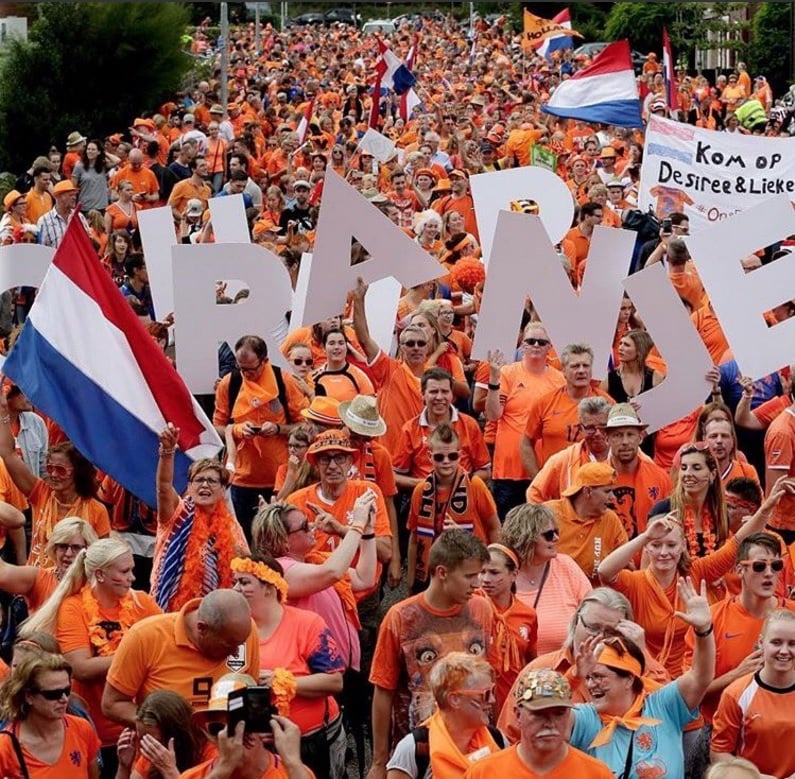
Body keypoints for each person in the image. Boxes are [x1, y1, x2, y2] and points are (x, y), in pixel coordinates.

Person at [20, 539, 161, 766]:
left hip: (137, 728)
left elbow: (164, 644)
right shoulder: (73, 607)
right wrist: (135, 654)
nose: (133, 578)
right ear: (100, 574)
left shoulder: (141, 602)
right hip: (96, 733)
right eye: (125, 571)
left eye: (132, 570)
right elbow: (80, 668)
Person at [368, 530, 495, 779]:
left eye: (479, 574)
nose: (478, 583)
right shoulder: (400, 616)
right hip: (418, 751)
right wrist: (379, 762)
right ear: (442, 572)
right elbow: (383, 690)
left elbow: (492, 679)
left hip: (474, 747)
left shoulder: (481, 609)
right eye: (470, 575)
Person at [598, 505, 776, 677]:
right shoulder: (635, 582)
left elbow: (735, 545)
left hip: (689, 680)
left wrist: (766, 508)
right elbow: (604, 571)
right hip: (647, 676)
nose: (663, 552)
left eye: (671, 545)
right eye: (656, 545)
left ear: (683, 545)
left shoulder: (695, 572)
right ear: (646, 548)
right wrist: (646, 536)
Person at [568, 582, 714, 779]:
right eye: (589, 677)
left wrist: (704, 630)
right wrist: (575, 677)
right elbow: (548, 715)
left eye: (600, 677)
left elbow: (700, 676)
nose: (591, 684)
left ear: (629, 679)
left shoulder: (663, 705)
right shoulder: (586, 718)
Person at [497, 587, 671, 743]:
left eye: (611, 632)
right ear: (575, 622)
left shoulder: (632, 674)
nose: (600, 638)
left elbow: (668, 709)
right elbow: (510, 736)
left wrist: (640, 655)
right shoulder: (541, 669)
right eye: (593, 628)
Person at [231, 553, 347, 778]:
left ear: (269, 588)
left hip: (311, 742)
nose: (236, 588)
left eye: (244, 582)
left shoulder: (308, 624)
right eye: (234, 581)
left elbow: (334, 681)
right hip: (259, 749)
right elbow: (230, 682)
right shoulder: (236, 631)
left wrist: (283, 681)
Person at [682, 529, 795, 728]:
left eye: (776, 566)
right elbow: (689, 692)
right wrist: (736, 675)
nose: (769, 573)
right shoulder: (711, 619)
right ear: (739, 570)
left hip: (784, 731)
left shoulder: (792, 614)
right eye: (759, 566)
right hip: (721, 730)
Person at [101, 589, 260, 725]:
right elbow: (112, 704)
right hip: (167, 753)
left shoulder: (242, 631)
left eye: (241, 643)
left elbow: (251, 692)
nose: (235, 652)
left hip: (226, 753)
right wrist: (163, 727)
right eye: (228, 645)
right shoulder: (144, 636)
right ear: (202, 628)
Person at [0, 391, 110, 567]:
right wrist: (4, 411)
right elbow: (8, 454)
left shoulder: (96, 510)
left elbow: (103, 558)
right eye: (49, 468)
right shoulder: (41, 492)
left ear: (78, 472)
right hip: (38, 586)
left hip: (74, 588)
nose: (53, 474)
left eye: (60, 470)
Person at [213, 335, 309, 536]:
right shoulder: (229, 383)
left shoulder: (284, 381)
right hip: (242, 481)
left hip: (280, 480)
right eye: (242, 368)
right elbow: (217, 428)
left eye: (251, 368)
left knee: (278, 541)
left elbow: (305, 425)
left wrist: (277, 429)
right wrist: (238, 430)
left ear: (265, 360)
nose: (246, 374)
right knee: (244, 542)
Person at [152, 425, 248, 612]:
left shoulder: (232, 526)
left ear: (223, 489)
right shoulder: (178, 514)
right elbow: (163, 487)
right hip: (173, 612)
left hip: (218, 613)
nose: (204, 485)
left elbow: (245, 566)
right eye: (199, 480)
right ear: (189, 486)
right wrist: (167, 452)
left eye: (211, 481)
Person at [464, 669, 612, 779]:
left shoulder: (596, 774)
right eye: (539, 714)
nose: (550, 723)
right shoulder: (483, 774)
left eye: (559, 713)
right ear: (517, 715)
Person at [483, 323, 566, 518]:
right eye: (530, 341)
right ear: (522, 345)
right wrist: (494, 379)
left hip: (545, 470)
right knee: (509, 530)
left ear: (549, 347)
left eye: (542, 342)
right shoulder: (507, 373)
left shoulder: (560, 379)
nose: (536, 345)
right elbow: (493, 415)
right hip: (509, 470)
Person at [407, 423, 499, 592]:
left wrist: (492, 569)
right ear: (429, 456)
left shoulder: (475, 485)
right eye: (440, 457)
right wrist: (412, 582)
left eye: (452, 456)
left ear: (460, 455)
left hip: (470, 572)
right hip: (432, 575)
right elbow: (414, 539)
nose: (446, 462)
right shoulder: (421, 491)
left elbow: (494, 528)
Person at [386, 652, 506, 779]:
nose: (492, 700)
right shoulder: (415, 748)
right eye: (485, 694)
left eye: (493, 691)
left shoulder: (498, 740)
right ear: (455, 699)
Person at [711, 609, 795, 779]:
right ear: (761, 643)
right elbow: (719, 753)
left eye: (792, 644)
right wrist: (757, 777)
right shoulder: (736, 694)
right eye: (776, 642)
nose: (784, 651)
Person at [351, 278, 432, 453]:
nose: (416, 348)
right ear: (401, 348)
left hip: (422, 456)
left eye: (420, 343)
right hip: (389, 453)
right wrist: (359, 300)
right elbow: (364, 339)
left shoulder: (436, 377)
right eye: (410, 344)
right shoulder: (390, 369)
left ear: (428, 347)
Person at [182, 673, 313, 779]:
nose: (225, 736)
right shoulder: (192, 776)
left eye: (238, 727)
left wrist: (292, 763)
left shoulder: (293, 772)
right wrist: (223, 769)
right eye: (217, 728)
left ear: (263, 728)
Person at [502, 502, 592, 655]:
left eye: (556, 532)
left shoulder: (565, 566)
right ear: (526, 539)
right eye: (549, 534)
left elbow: (592, 617)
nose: (556, 538)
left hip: (565, 672)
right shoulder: (500, 575)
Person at [0, 652, 101, 778]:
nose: (64, 699)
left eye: (67, 690)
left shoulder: (82, 728)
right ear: (29, 696)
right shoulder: (6, 746)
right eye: (53, 694)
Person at [520, 344, 612, 479]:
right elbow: (525, 442)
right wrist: (538, 479)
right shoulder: (545, 403)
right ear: (563, 371)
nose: (581, 371)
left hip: (595, 486)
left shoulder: (607, 404)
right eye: (575, 366)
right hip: (556, 486)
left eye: (585, 366)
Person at [393, 369, 491, 492]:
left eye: (444, 391)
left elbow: (485, 470)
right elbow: (395, 475)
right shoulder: (410, 429)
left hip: (463, 495)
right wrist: (426, 484)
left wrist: (462, 484)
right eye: (433, 392)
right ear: (422, 394)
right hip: (423, 496)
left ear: (452, 395)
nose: (439, 397)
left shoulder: (469, 425)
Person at [543, 463, 628, 585]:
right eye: (607, 491)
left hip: (595, 597)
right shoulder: (548, 514)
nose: (613, 497)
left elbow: (625, 563)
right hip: (553, 590)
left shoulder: (610, 519)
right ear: (587, 491)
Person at [479, 544, 538, 711]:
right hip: (479, 700)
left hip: (512, 700)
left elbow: (531, 662)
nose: (486, 579)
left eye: (494, 572)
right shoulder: (471, 606)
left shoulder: (527, 614)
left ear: (514, 575)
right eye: (482, 572)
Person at [600, 403, 672, 538]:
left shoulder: (660, 477)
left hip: (649, 554)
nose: (625, 441)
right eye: (618, 435)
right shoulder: (595, 479)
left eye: (630, 434)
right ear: (607, 439)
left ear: (640, 438)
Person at [0, 517, 97, 612]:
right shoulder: (38, 579)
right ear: (54, 549)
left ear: (88, 550)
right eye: (62, 546)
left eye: (76, 548)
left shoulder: (98, 584)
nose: (68, 554)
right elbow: (2, 573)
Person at [527, 398, 611, 503]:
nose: (597, 433)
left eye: (603, 426)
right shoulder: (564, 459)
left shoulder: (628, 457)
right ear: (580, 428)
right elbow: (534, 493)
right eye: (590, 428)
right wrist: (551, 518)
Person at [115, 690, 209, 779]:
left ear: (178, 734)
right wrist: (124, 767)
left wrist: (169, 771)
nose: (147, 747)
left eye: (156, 741)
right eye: (142, 740)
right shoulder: (152, 752)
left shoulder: (210, 753)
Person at [311, 328, 375, 403]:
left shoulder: (359, 376)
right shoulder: (314, 377)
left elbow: (371, 406)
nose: (336, 347)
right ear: (324, 348)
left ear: (346, 347)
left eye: (341, 343)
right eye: (332, 343)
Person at [600, 330, 664, 404]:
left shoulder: (656, 377)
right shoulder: (608, 379)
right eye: (620, 343)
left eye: (626, 345)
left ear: (640, 351)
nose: (620, 348)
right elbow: (599, 410)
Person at [71, 139, 110, 214]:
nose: (90, 151)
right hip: (85, 207)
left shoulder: (103, 166)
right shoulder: (79, 166)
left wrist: (104, 153)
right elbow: (73, 187)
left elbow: (117, 160)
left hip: (101, 207)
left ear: (98, 152)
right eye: (88, 149)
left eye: (93, 149)